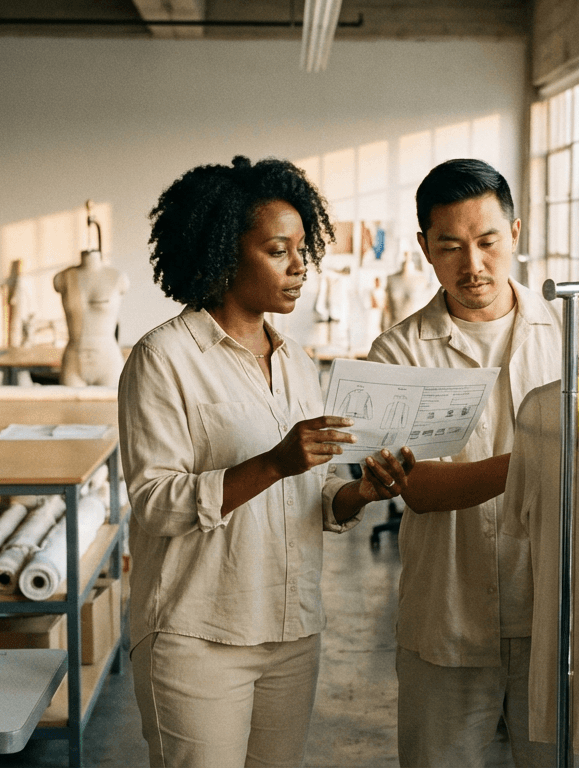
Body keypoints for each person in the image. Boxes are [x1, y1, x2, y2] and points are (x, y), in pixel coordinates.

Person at [119, 155, 416, 768]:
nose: (300, 266)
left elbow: (318, 496)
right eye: (279, 250)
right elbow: (155, 504)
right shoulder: (164, 359)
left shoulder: (299, 362)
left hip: (291, 628)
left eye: (303, 248)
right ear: (225, 254)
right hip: (199, 634)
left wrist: (361, 491)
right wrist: (273, 463)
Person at [367, 158, 562, 767]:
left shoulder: (570, 333)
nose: (472, 265)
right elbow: (418, 488)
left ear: (517, 235)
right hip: (446, 616)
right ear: (425, 247)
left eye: (487, 242)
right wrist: (546, 460)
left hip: (552, 612)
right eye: (450, 246)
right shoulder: (396, 352)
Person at [54, 240, 129, 386]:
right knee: (70, 409)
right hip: (74, 361)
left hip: (108, 362)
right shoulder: (63, 277)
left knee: (110, 409)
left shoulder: (117, 277)